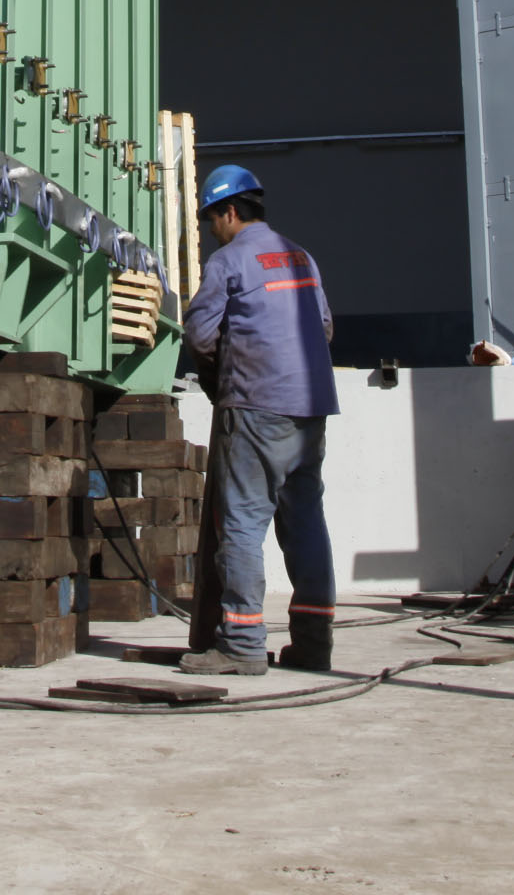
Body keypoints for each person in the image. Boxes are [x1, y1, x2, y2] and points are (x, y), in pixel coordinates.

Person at [179, 164, 338, 677]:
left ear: (229, 212)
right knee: (306, 522)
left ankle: (242, 644)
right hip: (310, 408)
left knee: (243, 524)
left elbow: (200, 336)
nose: (211, 232)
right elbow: (325, 327)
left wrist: (219, 385)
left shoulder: (229, 262)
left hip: (254, 407)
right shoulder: (302, 257)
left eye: (211, 221)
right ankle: (314, 645)